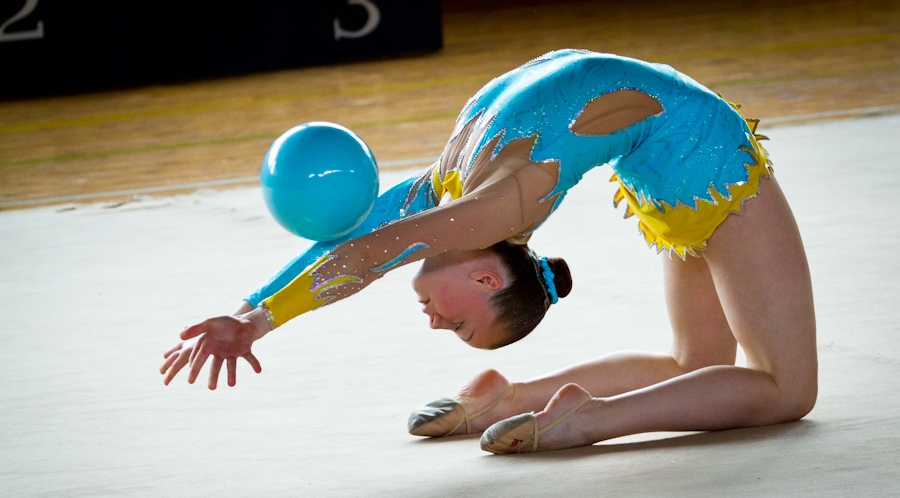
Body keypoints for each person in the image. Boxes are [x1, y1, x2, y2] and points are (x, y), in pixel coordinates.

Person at [160, 49, 817, 454]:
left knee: (698, 366)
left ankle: (509, 400)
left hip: (684, 155)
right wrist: (251, 313)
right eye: (459, 326)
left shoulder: (474, 197)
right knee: (783, 389)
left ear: (484, 276)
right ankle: (587, 420)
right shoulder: (480, 201)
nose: (437, 324)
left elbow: (363, 254)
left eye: (458, 327)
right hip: (691, 157)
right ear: (485, 277)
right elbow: (354, 246)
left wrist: (257, 317)